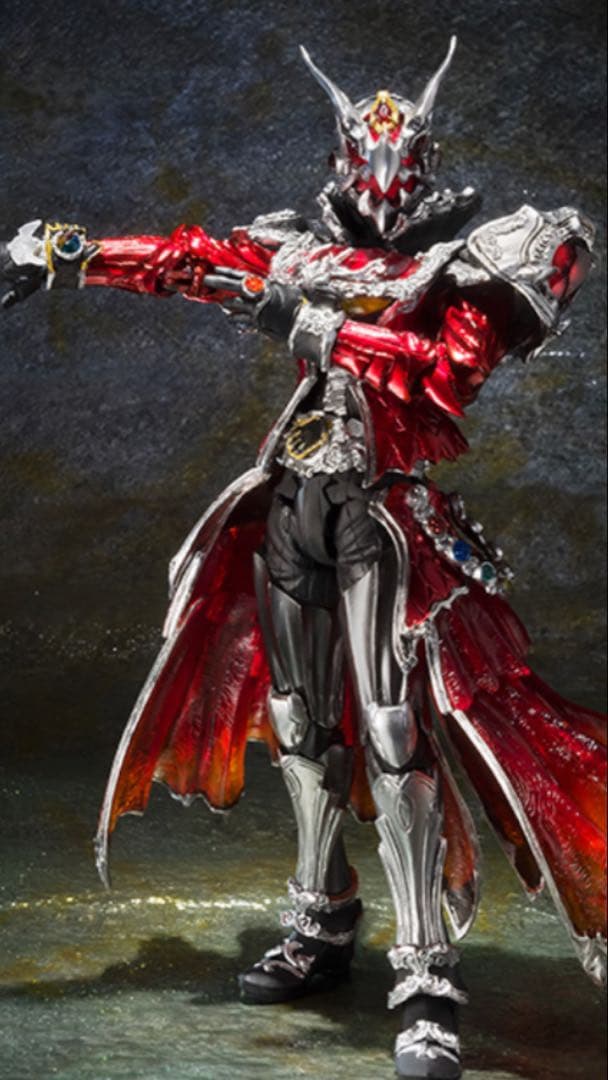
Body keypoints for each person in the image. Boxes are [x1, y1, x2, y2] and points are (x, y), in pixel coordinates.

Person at [2, 39, 605, 1080]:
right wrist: (70, 252)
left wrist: (308, 324)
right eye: (363, 162)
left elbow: (443, 377)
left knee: (395, 734)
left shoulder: (478, 256)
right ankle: (322, 915)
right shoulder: (297, 244)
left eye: (399, 163)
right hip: (296, 501)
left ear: (424, 162)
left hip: (386, 509)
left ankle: (426, 975)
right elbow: (186, 263)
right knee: (295, 720)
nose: (380, 182)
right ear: (339, 160)